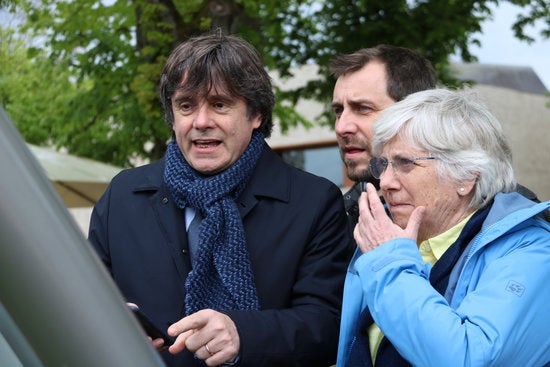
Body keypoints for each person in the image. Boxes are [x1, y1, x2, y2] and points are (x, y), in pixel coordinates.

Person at [88, 33, 351, 367]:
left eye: (219, 104)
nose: (201, 122)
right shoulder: (123, 195)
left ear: (256, 114)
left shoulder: (314, 202)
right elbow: (84, 294)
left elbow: (329, 327)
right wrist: (112, 323)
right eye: (186, 105)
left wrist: (242, 334)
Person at [337, 88, 550, 366]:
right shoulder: (385, 238)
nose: (385, 181)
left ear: (467, 176)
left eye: (404, 163)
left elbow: (467, 358)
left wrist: (390, 264)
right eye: (382, 165)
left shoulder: (531, 252)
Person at [330, 45, 549, 255]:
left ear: (414, 109)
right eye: (339, 111)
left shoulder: (518, 224)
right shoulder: (335, 216)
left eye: (363, 108)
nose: (341, 127)